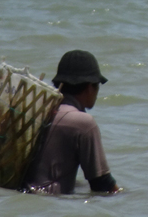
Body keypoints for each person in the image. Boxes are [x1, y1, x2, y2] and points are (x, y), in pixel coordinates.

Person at [25, 50, 120, 195]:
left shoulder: (38, 111)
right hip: (51, 202)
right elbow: (101, 183)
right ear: (90, 87)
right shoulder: (83, 123)